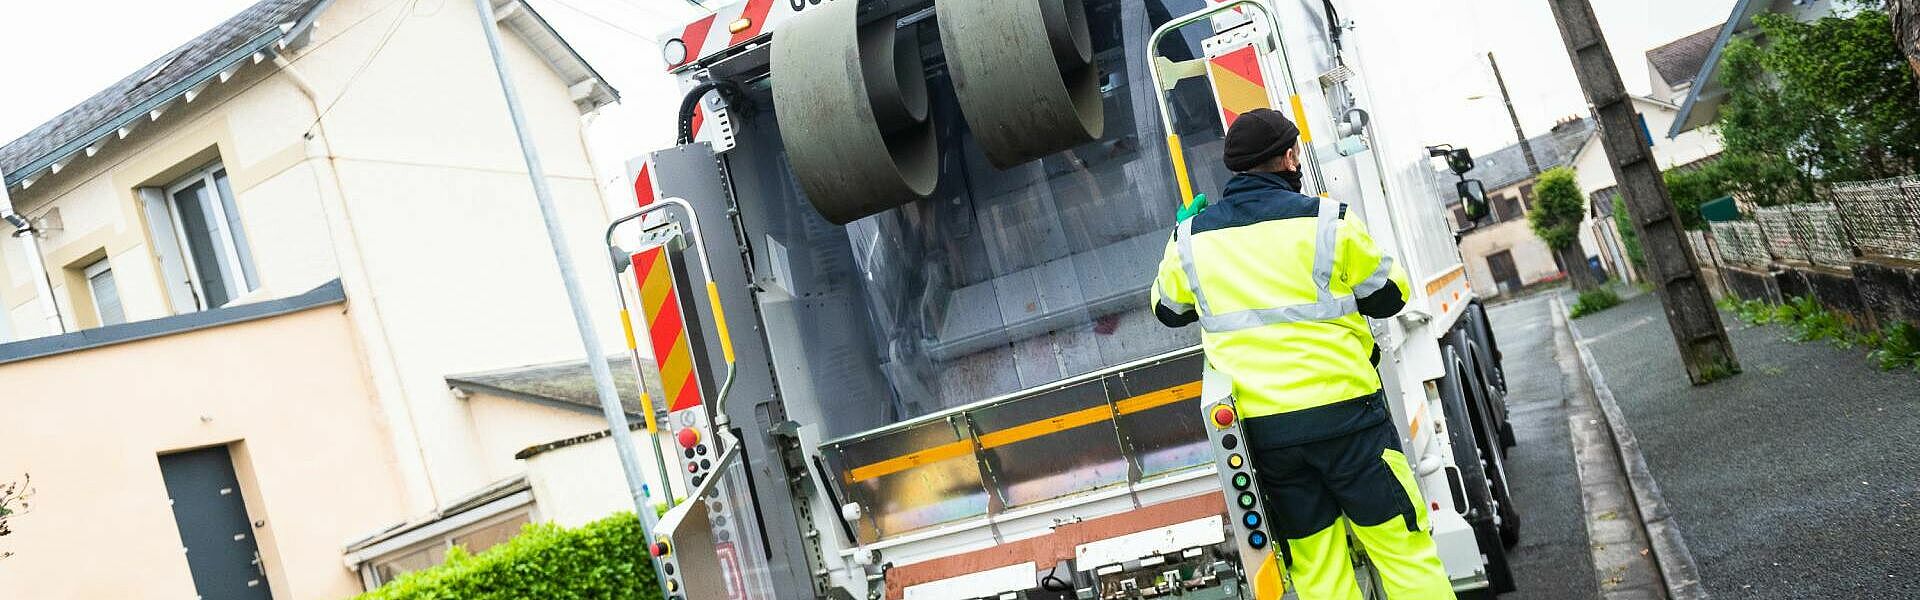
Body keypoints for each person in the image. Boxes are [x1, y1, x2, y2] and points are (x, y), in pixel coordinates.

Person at [1151, 108, 1454, 599]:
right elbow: (1390, 296)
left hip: (1269, 436)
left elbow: (1168, 310)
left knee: (1318, 569)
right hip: (1350, 421)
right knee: (1403, 550)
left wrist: (1177, 238)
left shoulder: (1191, 241)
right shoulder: (1328, 220)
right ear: (1291, 157)